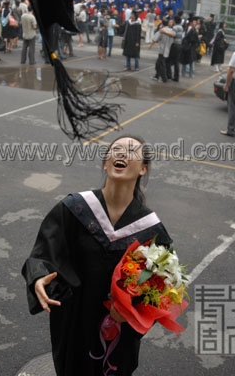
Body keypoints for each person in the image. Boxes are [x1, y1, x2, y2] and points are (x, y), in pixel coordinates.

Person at [22, 135, 172, 376]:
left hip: (117, 334)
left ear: (143, 169)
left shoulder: (151, 230)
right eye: (117, 150)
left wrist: (131, 312)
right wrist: (38, 276)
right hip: (75, 323)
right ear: (105, 163)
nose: (122, 154)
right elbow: (45, 251)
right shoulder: (75, 208)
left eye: (131, 151)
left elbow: (161, 288)